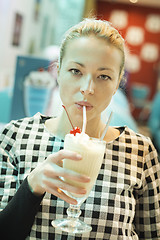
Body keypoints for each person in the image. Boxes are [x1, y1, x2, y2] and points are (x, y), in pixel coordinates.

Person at [0, 18, 160, 240]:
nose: (87, 89)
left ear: (117, 84)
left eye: (104, 76)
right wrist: (32, 186)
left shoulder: (140, 151)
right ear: (58, 71)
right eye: (76, 71)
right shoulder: (16, 137)